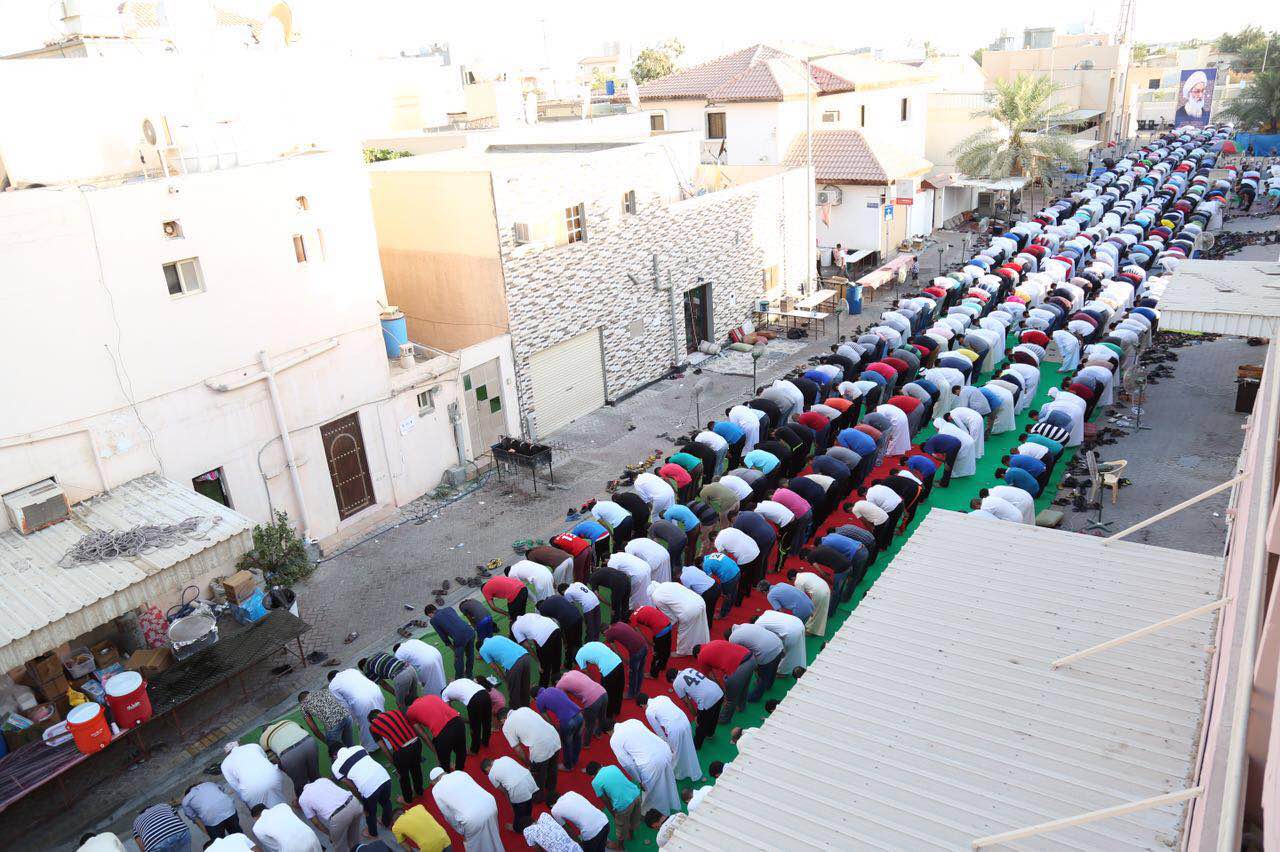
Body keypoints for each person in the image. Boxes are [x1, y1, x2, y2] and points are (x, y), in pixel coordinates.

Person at [607, 718, 681, 815]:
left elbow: (627, 764)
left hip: (650, 762)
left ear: (608, 732)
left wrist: (639, 779)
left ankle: (661, 814)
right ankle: (672, 803)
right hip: (664, 751)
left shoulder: (614, 739)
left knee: (654, 791)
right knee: (668, 779)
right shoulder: (632, 721)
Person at [429, 767, 503, 852]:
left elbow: (448, 815)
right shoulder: (459, 773)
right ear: (444, 772)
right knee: (493, 835)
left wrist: (461, 830)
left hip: (472, 819)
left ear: (434, 782)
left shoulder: (436, 790)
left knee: (475, 847)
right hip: (490, 804)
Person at [500, 705, 563, 800]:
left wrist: (528, 764)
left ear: (503, 719)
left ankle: (539, 797)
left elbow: (518, 749)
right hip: (554, 737)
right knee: (553, 767)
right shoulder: (524, 709)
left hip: (540, 748)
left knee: (538, 775)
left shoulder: (506, 726)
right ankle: (551, 790)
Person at [332, 745, 394, 839]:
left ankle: (373, 833)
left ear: (334, 756)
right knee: (386, 801)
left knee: (369, 812)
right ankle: (387, 822)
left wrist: (361, 799)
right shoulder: (359, 747)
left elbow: (350, 785)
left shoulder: (335, 766)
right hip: (384, 777)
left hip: (368, 788)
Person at [637, 693, 701, 781]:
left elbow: (658, 731)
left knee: (676, 752)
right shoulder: (662, 697)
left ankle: (679, 774)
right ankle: (694, 772)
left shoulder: (649, 711)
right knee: (689, 747)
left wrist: (666, 743)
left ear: (642, 705)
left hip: (674, 728)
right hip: (685, 722)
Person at [694, 640, 756, 723]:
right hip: (751, 658)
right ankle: (741, 707)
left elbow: (712, 678)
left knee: (730, 698)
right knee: (744, 686)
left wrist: (722, 692)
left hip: (739, 668)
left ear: (697, 654)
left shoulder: (701, 656)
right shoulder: (714, 642)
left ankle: (724, 719)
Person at [647, 579, 711, 658]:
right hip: (700, 601)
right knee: (700, 625)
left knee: (683, 631)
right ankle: (703, 645)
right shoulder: (668, 584)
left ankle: (681, 652)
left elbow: (670, 617)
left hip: (689, 610)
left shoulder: (655, 596)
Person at [327, 668, 386, 752]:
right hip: (376, 691)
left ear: (330, 680)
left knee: (365, 725)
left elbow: (344, 705)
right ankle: (388, 736)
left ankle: (371, 748)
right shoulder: (351, 670)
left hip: (361, 700)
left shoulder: (332, 685)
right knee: (381, 716)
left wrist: (355, 718)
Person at [299, 777, 364, 852]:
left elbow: (316, 823)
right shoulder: (322, 780)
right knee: (354, 837)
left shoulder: (302, 799)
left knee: (339, 846)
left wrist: (330, 834)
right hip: (354, 804)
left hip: (339, 816)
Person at [587, 762, 643, 850]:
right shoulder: (612, 767)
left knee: (621, 826)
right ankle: (631, 834)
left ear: (592, 775)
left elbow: (605, 800)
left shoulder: (595, 782)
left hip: (623, 805)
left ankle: (620, 846)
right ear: (600, 765)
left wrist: (614, 814)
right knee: (635, 818)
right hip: (636, 794)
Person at [406, 694, 467, 774]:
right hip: (458, 722)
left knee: (443, 765)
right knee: (461, 752)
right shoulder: (432, 696)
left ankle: (448, 780)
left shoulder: (409, 711)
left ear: (408, 706)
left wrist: (436, 753)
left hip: (443, 734)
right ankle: (460, 773)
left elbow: (423, 735)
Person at [666, 666, 724, 749]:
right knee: (715, 715)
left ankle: (697, 745)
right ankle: (710, 734)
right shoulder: (688, 669)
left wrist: (696, 715)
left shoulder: (676, 683)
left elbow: (687, 701)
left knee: (701, 724)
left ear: (672, 680)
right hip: (718, 692)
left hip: (706, 701)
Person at [259, 717, 320, 795]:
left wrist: (285, 768)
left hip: (289, 755)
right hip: (309, 742)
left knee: (300, 784)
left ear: (264, 732)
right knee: (315, 775)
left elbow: (272, 759)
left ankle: (303, 802)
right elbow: (302, 729)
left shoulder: (263, 738)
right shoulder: (286, 721)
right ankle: (323, 794)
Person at [727, 622, 785, 702]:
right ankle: (769, 685)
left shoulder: (733, 638)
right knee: (773, 668)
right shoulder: (744, 625)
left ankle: (754, 697)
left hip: (767, 652)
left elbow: (736, 655)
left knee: (763, 677)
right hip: (778, 644)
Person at [221, 741, 289, 809]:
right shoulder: (253, 746)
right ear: (238, 745)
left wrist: (244, 797)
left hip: (252, 789)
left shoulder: (224, 764)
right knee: (278, 798)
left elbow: (235, 785)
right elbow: (265, 758)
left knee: (262, 811)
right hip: (273, 776)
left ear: (227, 753)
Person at [534, 684, 586, 770]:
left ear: (535, 697)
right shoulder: (552, 688)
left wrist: (554, 726)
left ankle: (568, 766)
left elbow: (545, 717)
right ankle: (575, 760)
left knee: (567, 743)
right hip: (579, 714)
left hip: (567, 721)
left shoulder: (539, 700)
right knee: (578, 738)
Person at [483, 755, 539, 833]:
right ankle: (529, 820)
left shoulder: (491, 774)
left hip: (517, 788)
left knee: (518, 811)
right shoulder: (504, 758)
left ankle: (518, 828)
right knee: (529, 802)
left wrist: (511, 803)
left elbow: (504, 790)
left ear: (487, 769)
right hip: (528, 779)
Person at [575, 640, 626, 721]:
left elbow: (585, 671)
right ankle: (616, 710)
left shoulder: (578, 656)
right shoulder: (592, 643)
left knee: (608, 695)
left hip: (608, 671)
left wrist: (594, 682)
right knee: (618, 689)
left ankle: (608, 717)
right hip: (619, 662)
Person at [512, 611, 565, 688]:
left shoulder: (514, 627)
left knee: (544, 667)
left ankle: (543, 689)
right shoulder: (528, 615)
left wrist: (538, 662)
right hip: (555, 627)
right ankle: (557, 680)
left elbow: (527, 646)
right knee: (557, 656)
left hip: (543, 637)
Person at [479, 634, 533, 709]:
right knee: (525, 688)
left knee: (514, 695)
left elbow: (496, 668)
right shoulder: (498, 636)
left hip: (513, 664)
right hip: (525, 656)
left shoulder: (482, 650)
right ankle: (527, 710)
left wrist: (506, 681)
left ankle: (516, 715)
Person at [441, 676, 493, 754]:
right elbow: (451, 680)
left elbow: (452, 714)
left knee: (475, 727)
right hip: (484, 693)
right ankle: (485, 742)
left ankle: (474, 750)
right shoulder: (458, 681)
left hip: (474, 700)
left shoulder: (444, 695)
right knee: (487, 720)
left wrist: (468, 721)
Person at [425, 604, 478, 678]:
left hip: (459, 637)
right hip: (470, 631)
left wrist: (452, 647)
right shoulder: (449, 608)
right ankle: (469, 674)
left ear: (431, 612)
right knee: (470, 655)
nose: (430, 617)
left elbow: (442, 635)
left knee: (458, 659)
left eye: (429, 616)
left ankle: (459, 678)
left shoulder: (433, 620)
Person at [538, 591, 586, 669]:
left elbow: (551, 623)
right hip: (577, 615)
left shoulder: (542, 608)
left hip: (569, 621)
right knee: (578, 641)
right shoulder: (556, 596)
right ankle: (581, 660)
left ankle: (569, 665)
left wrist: (563, 638)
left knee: (569, 645)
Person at [604, 620, 649, 700]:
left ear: (604, 632)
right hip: (644, 645)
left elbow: (613, 647)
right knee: (640, 670)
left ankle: (631, 694)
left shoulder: (608, 633)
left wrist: (622, 658)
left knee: (633, 673)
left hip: (636, 651)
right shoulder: (619, 623)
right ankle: (637, 690)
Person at [251, 802, 322, 852]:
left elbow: (274, 847)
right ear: (267, 808)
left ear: (255, 818)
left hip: (293, 848)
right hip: (310, 836)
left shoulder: (257, 828)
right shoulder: (282, 806)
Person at [754, 609, 807, 675]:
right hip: (798, 623)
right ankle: (797, 668)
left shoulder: (757, 625)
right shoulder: (767, 612)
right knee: (797, 648)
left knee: (787, 653)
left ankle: (782, 672)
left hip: (791, 631)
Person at [702, 552, 740, 618]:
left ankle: (723, 614)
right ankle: (728, 606)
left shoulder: (705, 564)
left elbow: (710, 579)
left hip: (729, 577)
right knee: (733, 591)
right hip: (737, 570)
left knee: (727, 595)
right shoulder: (710, 555)